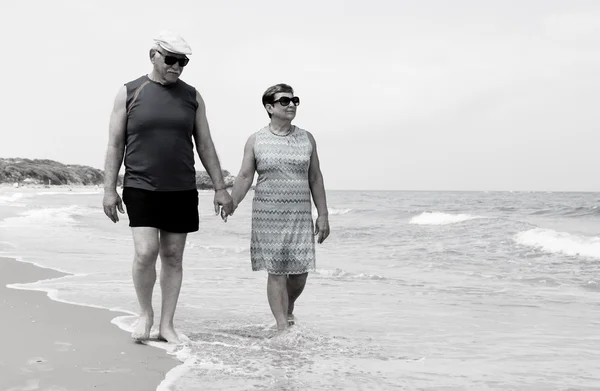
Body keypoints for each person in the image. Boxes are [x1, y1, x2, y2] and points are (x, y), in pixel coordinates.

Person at [102, 31, 233, 344]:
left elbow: (205, 143)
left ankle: (167, 325)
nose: (177, 66)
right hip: (140, 184)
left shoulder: (192, 96)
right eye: (171, 59)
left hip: (182, 188)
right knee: (146, 252)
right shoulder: (129, 92)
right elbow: (115, 143)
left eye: (183, 62)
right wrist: (109, 188)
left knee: (173, 256)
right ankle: (145, 313)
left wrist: (219, 186)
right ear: (153, 56)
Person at [229, 83, 330, 331]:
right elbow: (244, 177)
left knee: (299, 272)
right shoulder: (256, 139)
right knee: (275, 271)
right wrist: (232, 202)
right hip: (267, 216)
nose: (291, 105)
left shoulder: (307, 138)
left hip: (299, 215)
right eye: (284, 101)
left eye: (294, 100)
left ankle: (289, 307)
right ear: (269, 107)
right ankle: (282, 327)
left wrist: (323, 214)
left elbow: (315, 177)